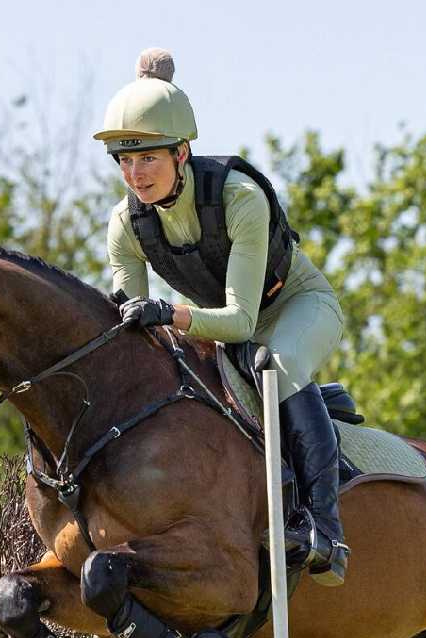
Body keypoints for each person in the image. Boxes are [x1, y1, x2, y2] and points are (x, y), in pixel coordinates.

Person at [95, 48, 350, 586]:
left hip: (294, 306)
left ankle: (325, 530)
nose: (135, 175)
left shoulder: (239, 197)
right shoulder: (125, 225)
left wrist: (167, 313)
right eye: (124, 161)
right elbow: (131, 335)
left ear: (182, 152)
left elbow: (239, 322)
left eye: (148, 159)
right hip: (223, 329)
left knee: (275, 364)